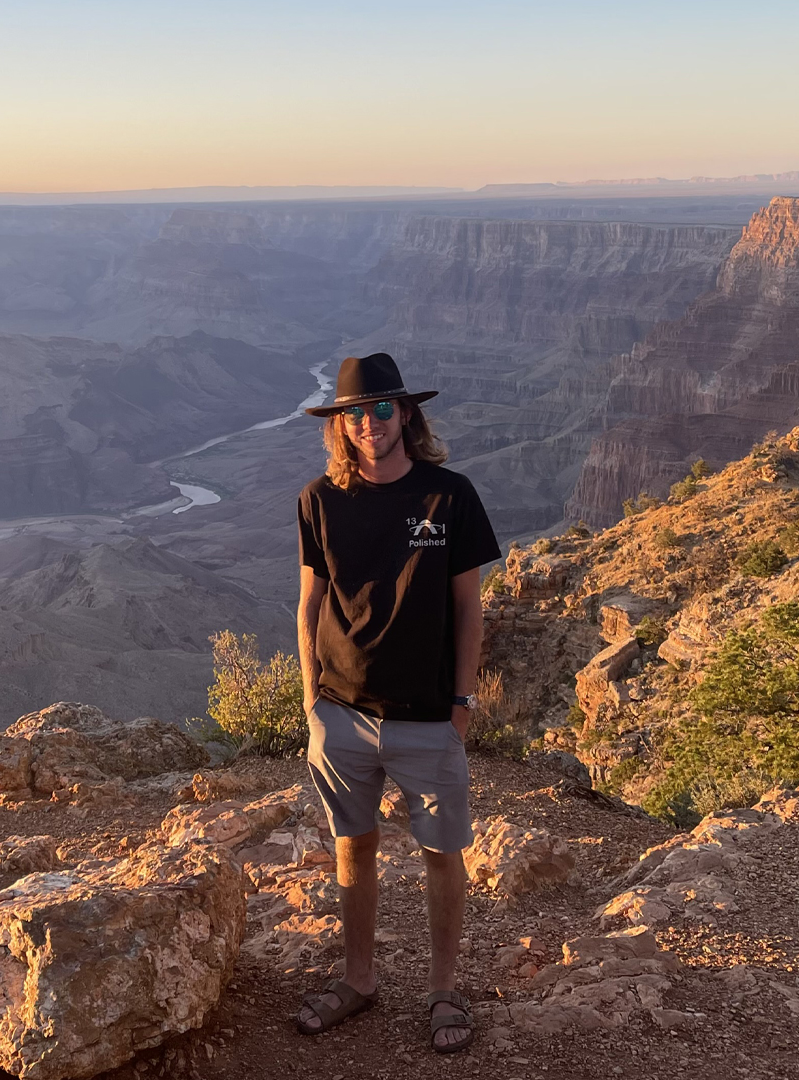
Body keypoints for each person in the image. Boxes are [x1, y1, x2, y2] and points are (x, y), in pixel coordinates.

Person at [291, 352, 500, 1054]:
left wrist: (462, 703)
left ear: (407, 414)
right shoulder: (320, 499)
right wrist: (311, 703)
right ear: (339, 425)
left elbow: (469, 606)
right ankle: (359, 979)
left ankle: (444, 988)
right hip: (343, 712)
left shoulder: (451, 496)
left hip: (428, 716)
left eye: (383, 409)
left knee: (443, 854)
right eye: (355, 413)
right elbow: (310, 602)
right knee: (354, 848)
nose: (370, 424)